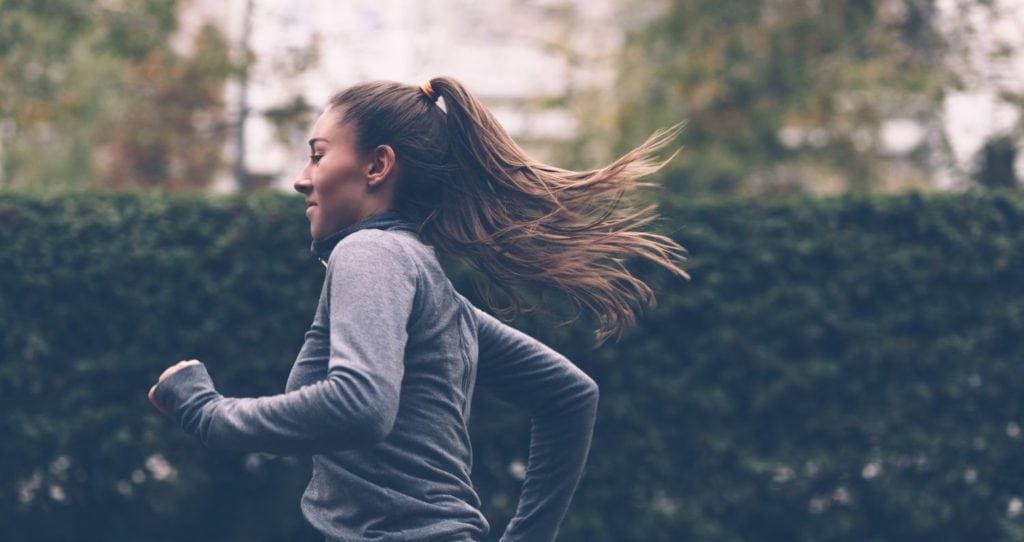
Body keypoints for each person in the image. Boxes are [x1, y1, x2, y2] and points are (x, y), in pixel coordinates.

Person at [148, 77, 688, 542]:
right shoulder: (429, 287)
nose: (301, 178)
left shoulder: (369, 252)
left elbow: (360, 404)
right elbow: (570, 395)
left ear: (378, 165)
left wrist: (209, 413)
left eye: (317, 154)